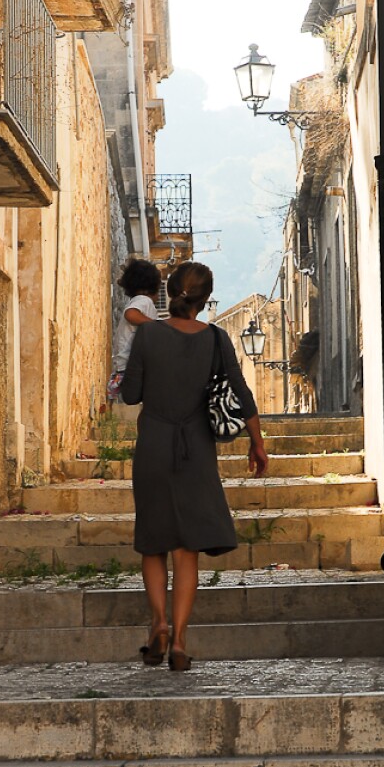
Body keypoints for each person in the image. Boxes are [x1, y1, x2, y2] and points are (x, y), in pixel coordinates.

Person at [120, 261, 268, 671]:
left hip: (153, 445)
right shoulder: (218, 339)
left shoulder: (148, 335)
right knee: (187, 549)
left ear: (169, 292)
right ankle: (181, 640)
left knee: (153, 541)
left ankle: (159, 623)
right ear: (205, 299)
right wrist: (256, 443)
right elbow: (241, 394)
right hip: (197, 449)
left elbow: (131, 394)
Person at [107, 259, 161, 403]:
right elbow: (130, 314)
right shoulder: (144, 301)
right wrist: (156, 326)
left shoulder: (138, 300)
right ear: (151, 287)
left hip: (123, 363)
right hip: (129, 363)